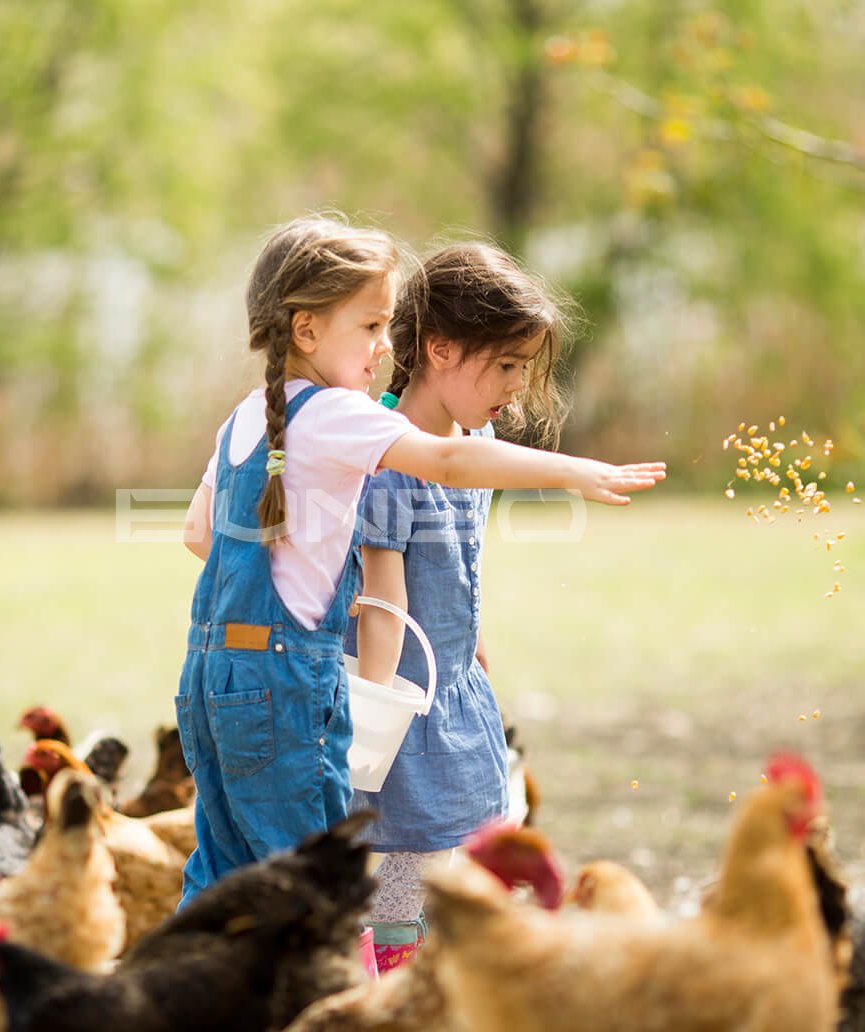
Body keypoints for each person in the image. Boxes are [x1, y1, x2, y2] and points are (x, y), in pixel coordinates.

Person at [176, 215, 664, 905]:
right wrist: (570, 471)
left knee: (220, 875)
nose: (385, 343)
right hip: (285, 686)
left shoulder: (248, 415)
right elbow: (448, 460)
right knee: (320, 892)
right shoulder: (337, 413)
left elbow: (200, 533)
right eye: (371, 326)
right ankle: (348, 1001)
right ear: (307, 330)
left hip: (211, 678)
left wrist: (306, 569)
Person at [345, 241, 569, 970]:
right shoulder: (388, 463)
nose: (514, 386)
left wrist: (471, 642)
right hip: (404, 705)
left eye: (520, 368)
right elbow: (383, 604)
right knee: (403, 870)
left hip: (456, 688)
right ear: (440, 349)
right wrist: (367, 731)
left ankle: (441, 981)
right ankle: (392, 989)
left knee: (461, 861)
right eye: (504, 365)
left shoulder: (479, 441)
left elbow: (461, 563)